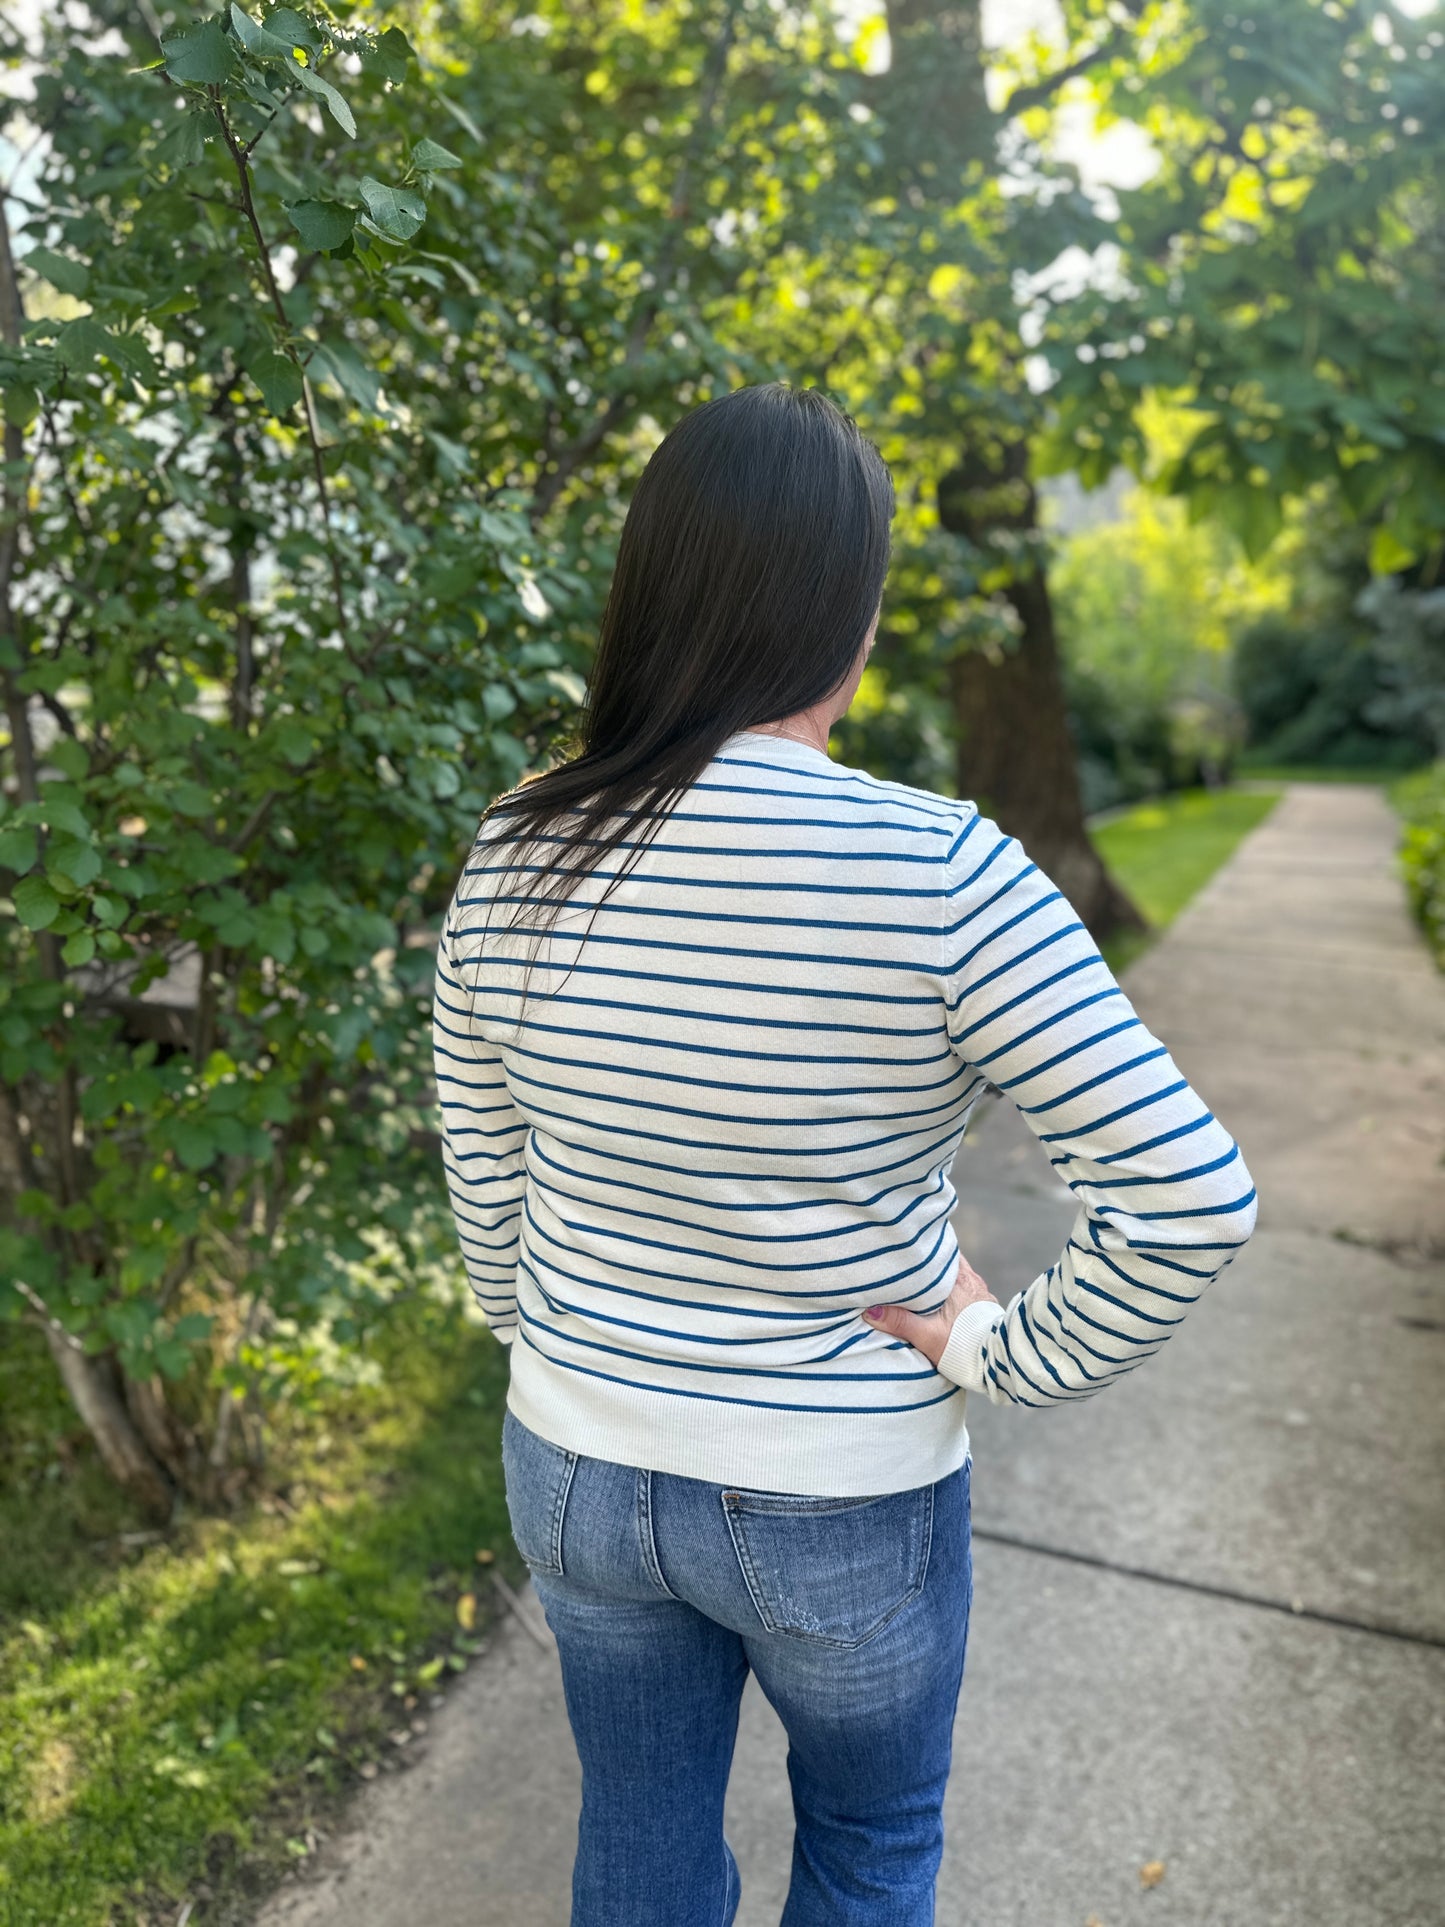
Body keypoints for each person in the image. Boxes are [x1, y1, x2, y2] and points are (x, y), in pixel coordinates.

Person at [431, 383, 1257, 1927]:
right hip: (839, 1495)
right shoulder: (938, 870)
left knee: (639, 1837)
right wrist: (995, 1355)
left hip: (575, 1466)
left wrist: (549, 1341)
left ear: (648, 593)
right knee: (869, 1851)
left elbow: (484, 1161)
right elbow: (1190, 1201)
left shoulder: (520, 838)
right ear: (852, 616)